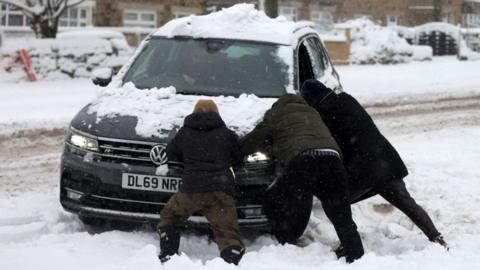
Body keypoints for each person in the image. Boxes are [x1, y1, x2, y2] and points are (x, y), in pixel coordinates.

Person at [300, 79, 448, 257]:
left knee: (334, 202)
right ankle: (437, 238)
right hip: (385, 161)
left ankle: (349, 245)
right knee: (407, 203)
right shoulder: (347, 99)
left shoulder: (324, 116)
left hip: (364, 170)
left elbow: (336, 147)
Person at [241, 94, 364, 263]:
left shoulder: (276, 113)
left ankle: (286, 241)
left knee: (276, 198)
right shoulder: (312, 112)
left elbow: (254, 139)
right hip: (333, 160)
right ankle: (356, 254)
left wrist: (234, 153)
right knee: (340, 212)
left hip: (303, 161)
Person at [157, 99, 245, 265]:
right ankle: (231, 255)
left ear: (194, 112)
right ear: (217, 113)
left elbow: (171, 152)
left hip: (191, 189)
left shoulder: (185, 132)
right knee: (227, 231)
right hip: (220, 189)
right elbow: (239, 157)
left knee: (169, 217)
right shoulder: (226, 134)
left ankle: (168, 251)